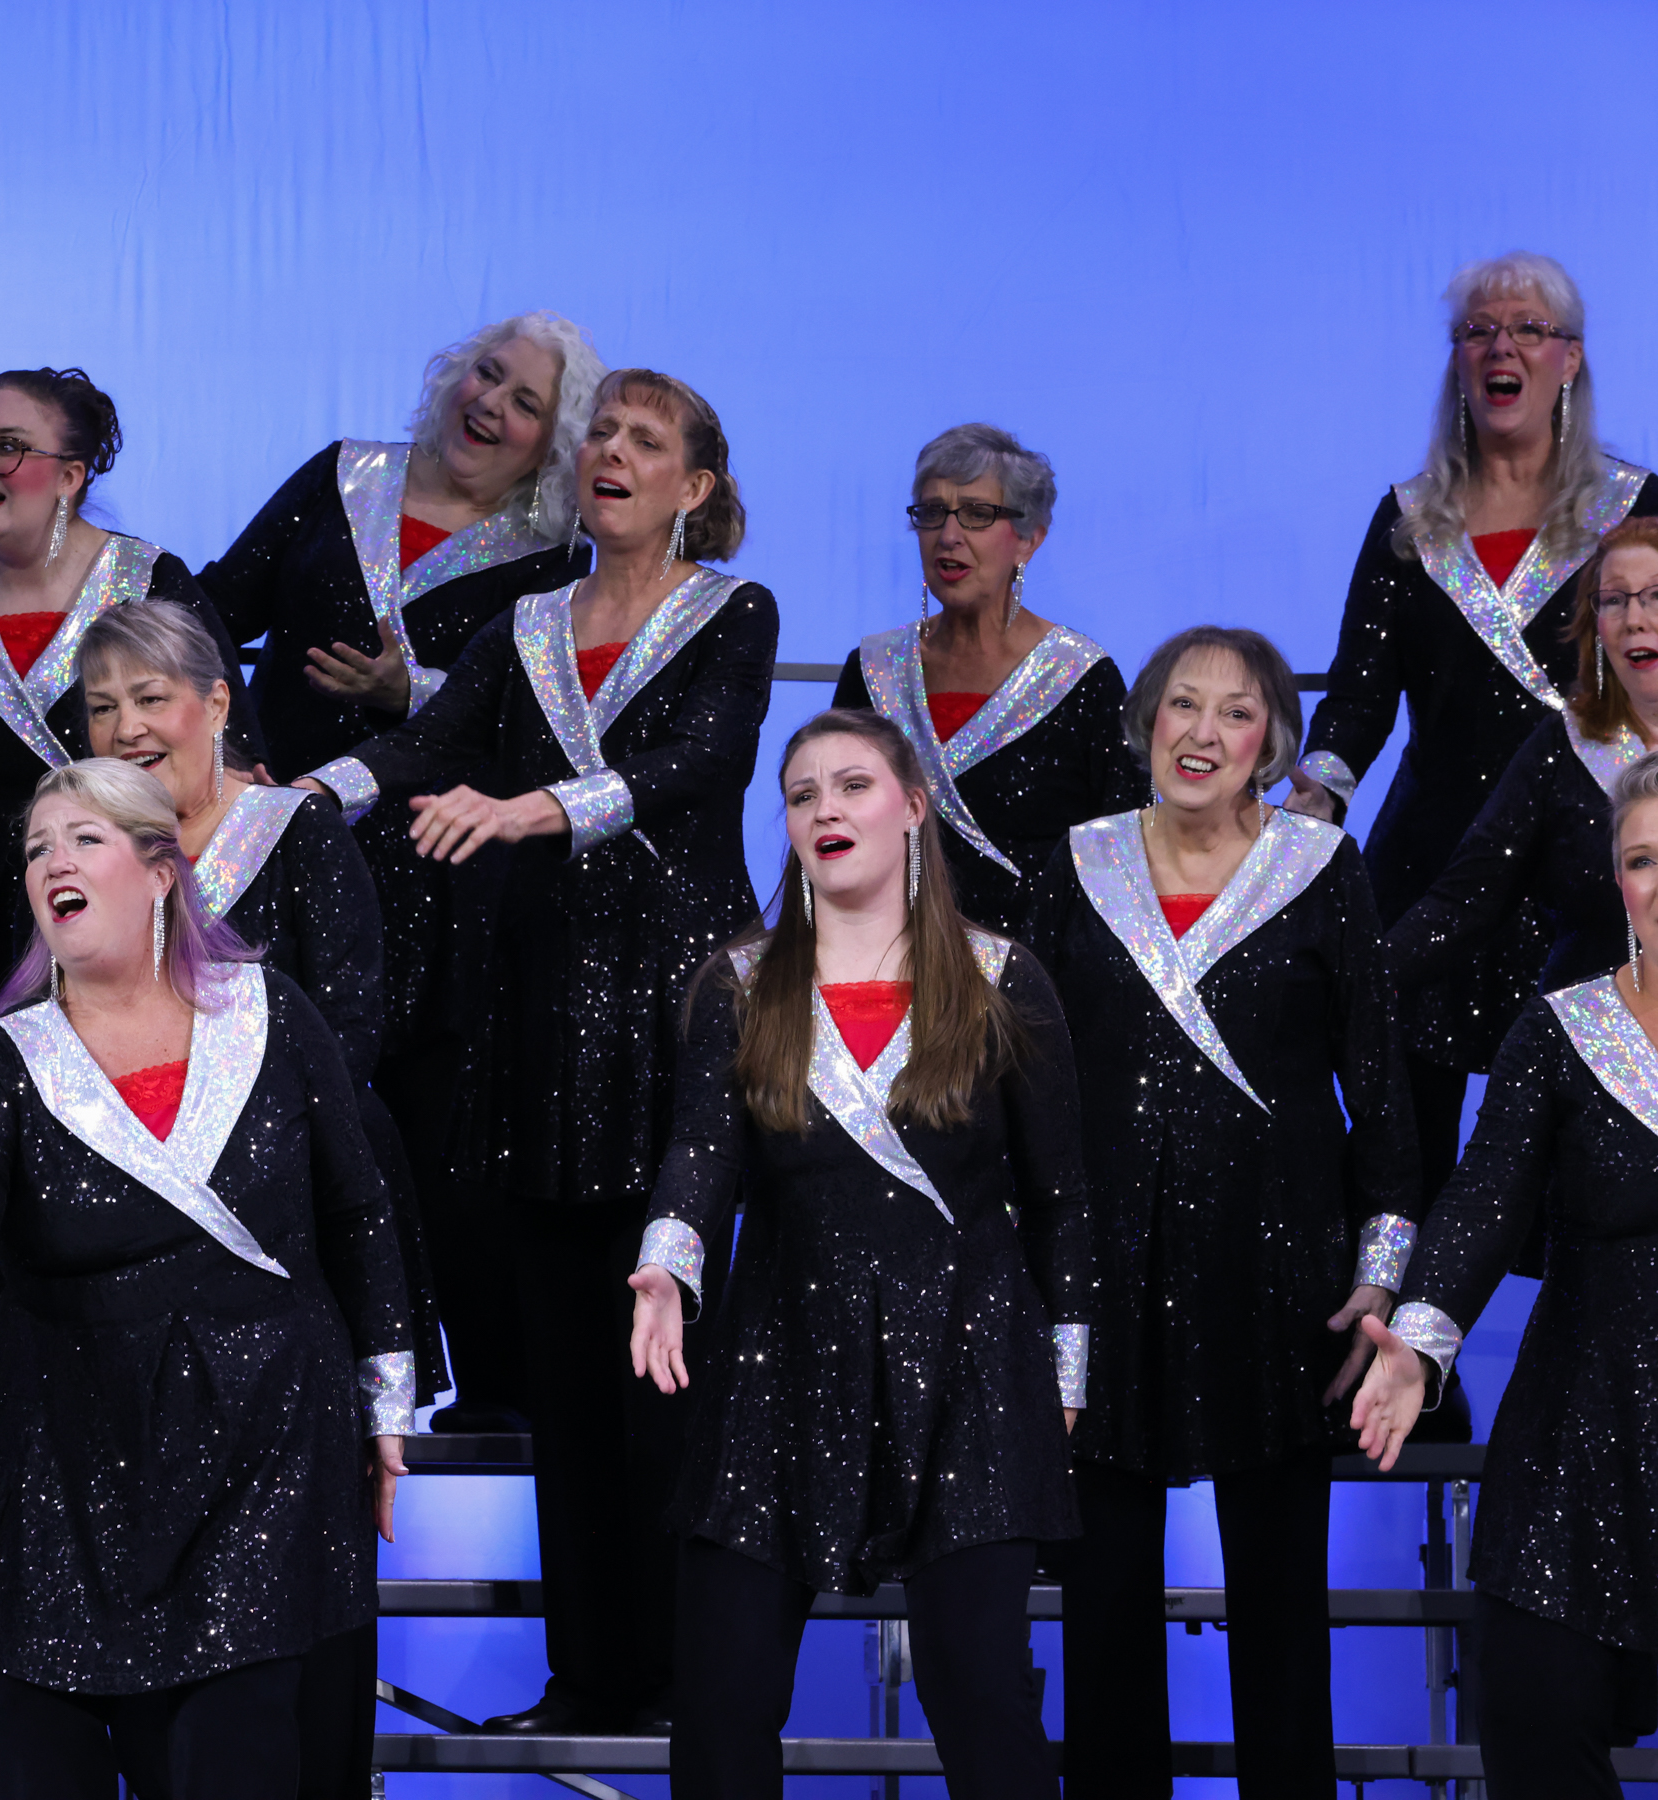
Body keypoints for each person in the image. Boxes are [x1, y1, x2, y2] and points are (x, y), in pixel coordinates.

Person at [303, 368, 778, 1734]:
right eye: (601, 435)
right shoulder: (524, 623)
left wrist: (529, 812)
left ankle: (688, 1692)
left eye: (644, 440)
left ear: (693, 486)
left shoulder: (731, 612)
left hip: (672, 1016)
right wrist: (292, 798)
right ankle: (589, 1682)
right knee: (563, 1381)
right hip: (535, 1015)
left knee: (660, 1375)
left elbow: (697, 765)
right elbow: (423, 746)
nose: (609, 452)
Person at [0, 759, 412, 1800]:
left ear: (160, 871)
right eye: (37, 848)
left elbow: (356, 1208)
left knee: (236, 1763)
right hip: (62, 1461)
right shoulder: (6, 1056)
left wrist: (384, 1401)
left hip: (263, 1441)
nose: (53, 863)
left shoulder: (270, 1013)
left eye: (83, 839)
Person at [634, 707, 1089, 1799]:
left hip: (973, 1369)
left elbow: (1061, 1199)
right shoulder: (737, 984)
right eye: (800, 795)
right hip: (777, 1359)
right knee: (721, 1692)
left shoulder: (1002, 976)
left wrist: (1063, 1376)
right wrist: (666, 1264)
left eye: (850, 786)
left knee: (978, 1693)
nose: (823, 809)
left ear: (912, 808)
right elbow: (701, 1153)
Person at [1027, 626, 1417, 1798]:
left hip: (1279, 1276)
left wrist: (1380, 1267)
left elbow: (1379, 1089)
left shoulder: (1321, 867)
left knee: (1280, 1597)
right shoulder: (1076, 862)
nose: (1200, 733)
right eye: (1180, 705)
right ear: (1144, 723)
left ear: (1271, 746)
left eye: (1234, 713)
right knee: (1100, 1600)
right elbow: (1022, 1084)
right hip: (1099, 1279)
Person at [202, 311, 600, 1433]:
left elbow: (531, 723)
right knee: (264, 1104)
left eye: (525, 403)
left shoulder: (555, 560)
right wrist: (226, 757)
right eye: (486, 375)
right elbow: (218, 610)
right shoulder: (342, 476)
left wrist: (407, 691)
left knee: (439, 1129)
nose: (491, 405)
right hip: (278, 841)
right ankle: (269, 1373)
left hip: (440, 868)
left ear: (551, 442)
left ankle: (487, 1392)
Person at [0, 368, 258, 1465]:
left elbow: (231, 751)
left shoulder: (150, 581)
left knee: (114, 1217)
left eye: (8, 447)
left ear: (72, 474)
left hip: (115, 947)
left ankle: (124, 1496)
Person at [77, 598, 442, 1797]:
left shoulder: (298, 832)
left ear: (216, 703)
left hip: (294, 1244)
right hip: (128, 1265)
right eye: (101, 707)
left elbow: (352, 1029)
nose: (126, 728)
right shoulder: (77, 850)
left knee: (298, 1569)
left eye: (150, 699)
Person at [1292, 252, 1658, 1221]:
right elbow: (1358, 694)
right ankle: (1398, 1324)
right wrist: (1311, 802)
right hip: (1431, 869)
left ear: (1570, 359)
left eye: (1528, 329)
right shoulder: (1409, 520)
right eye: (1477, 331)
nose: (1502, 347)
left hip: (1580, 869)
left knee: (1589, 1165)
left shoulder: (1634, 509)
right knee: (1402, 1156)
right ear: (1457, 362)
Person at [1352, 751, 1658, 1800]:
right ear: (1615, 884)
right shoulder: (1560, 1031)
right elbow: (1482, 1202)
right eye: (1640, 860)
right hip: (1579, 1441)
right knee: (1532, 1718)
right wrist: (1418, 1343)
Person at [831, 423, 1145, 935]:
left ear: (1028, 540)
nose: (948, 535)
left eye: (978, 514)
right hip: (889, 953)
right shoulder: (873, 670)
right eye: (932, 512)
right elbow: (833, 827)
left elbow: (1123, 857)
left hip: (1034, 962)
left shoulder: (1080, 677)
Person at [1389, 516, 1658, 1004]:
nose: (1635, 619)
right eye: (1615, 600)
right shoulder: (1562, 745)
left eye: (1656, 595)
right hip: (1584, 1035)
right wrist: (1353, 985)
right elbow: (1465, 899)